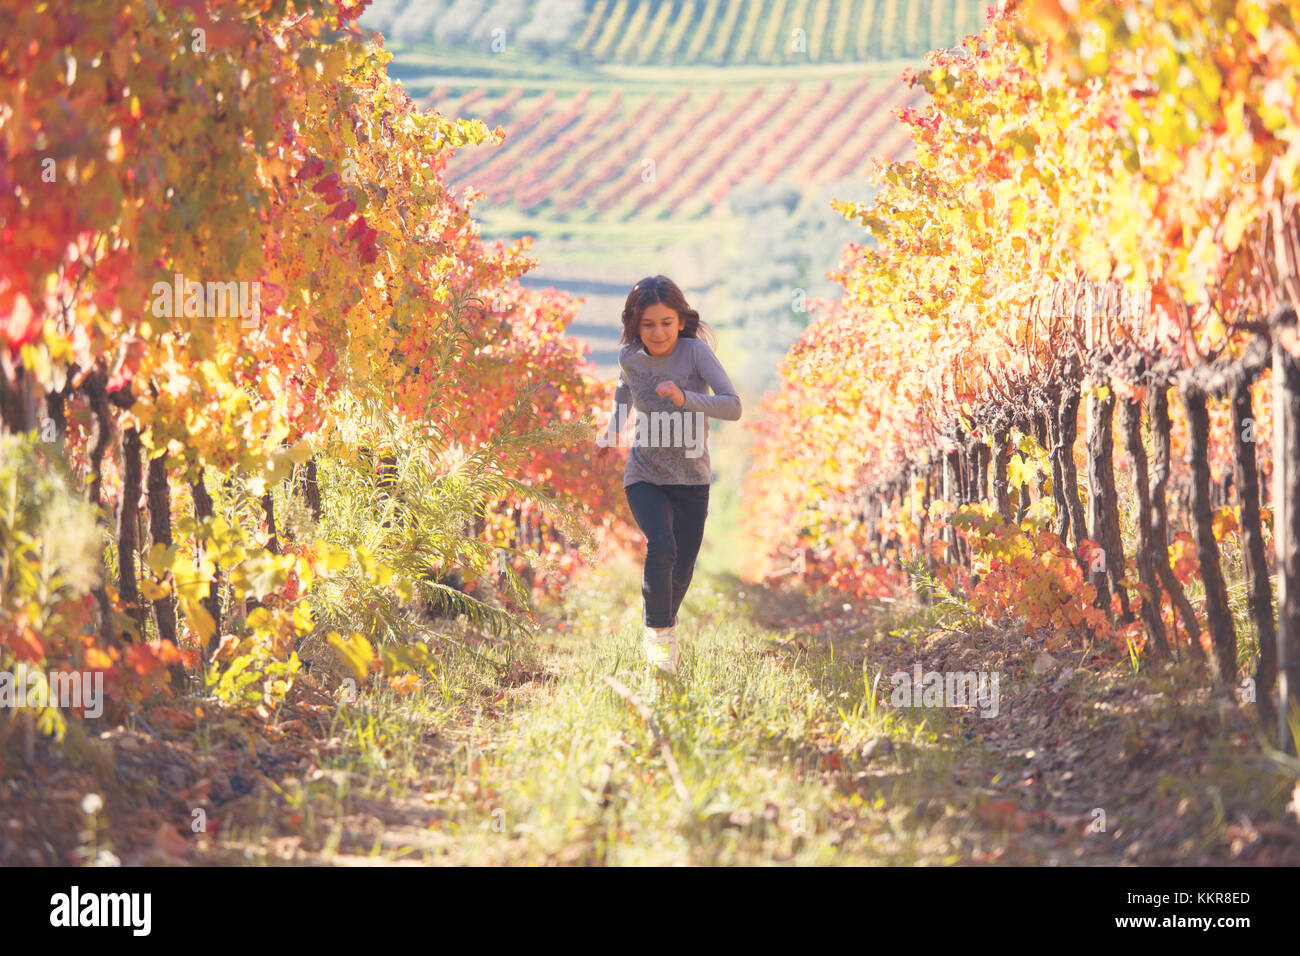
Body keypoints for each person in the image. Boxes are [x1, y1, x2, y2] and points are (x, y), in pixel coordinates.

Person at [597, 275, 742, 684]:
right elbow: (625, 388)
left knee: (681, 571)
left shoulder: (695, 353)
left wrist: (684, 398)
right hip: (644, 472)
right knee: (660, 546)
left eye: (666, 322)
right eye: (648, 324)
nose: (658, 332)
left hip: (692, 478)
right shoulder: (629, 355)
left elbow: (733, 406)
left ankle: (664, 622)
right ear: (635, 325)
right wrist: (612, 430)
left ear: (680, 321)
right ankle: (659, 644)